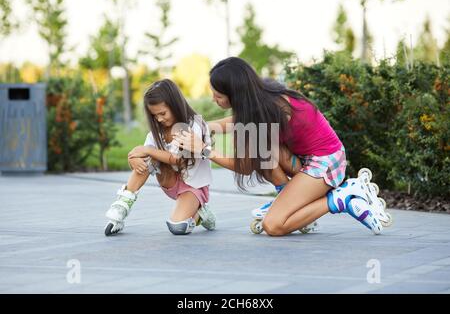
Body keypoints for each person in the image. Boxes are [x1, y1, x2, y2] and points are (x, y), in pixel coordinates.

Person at [175, 57, 391, 236]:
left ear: (236, 94)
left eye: (218, 96)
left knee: (274, 225)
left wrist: (204, 149)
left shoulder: (267, 112)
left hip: (326, 163)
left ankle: (342, 199)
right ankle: (289, 201)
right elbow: (237, 122)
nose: (214, 99)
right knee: (267, 153)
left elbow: (245, 166)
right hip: (305, 158)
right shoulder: (262, 98)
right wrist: (204, 127)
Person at [104, 79, 216, 236]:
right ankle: (124, 202)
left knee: (178, 227)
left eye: (162, 113)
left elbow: (179, 159)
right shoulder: (158, 131)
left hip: (193, 186)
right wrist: (134, 158)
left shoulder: (194, 124)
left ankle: (200, 214)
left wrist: (147, 151)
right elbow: (144, 156)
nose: (159, 119)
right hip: (169, 181)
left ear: (175, 105)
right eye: (154, 115)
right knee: (148, 154)